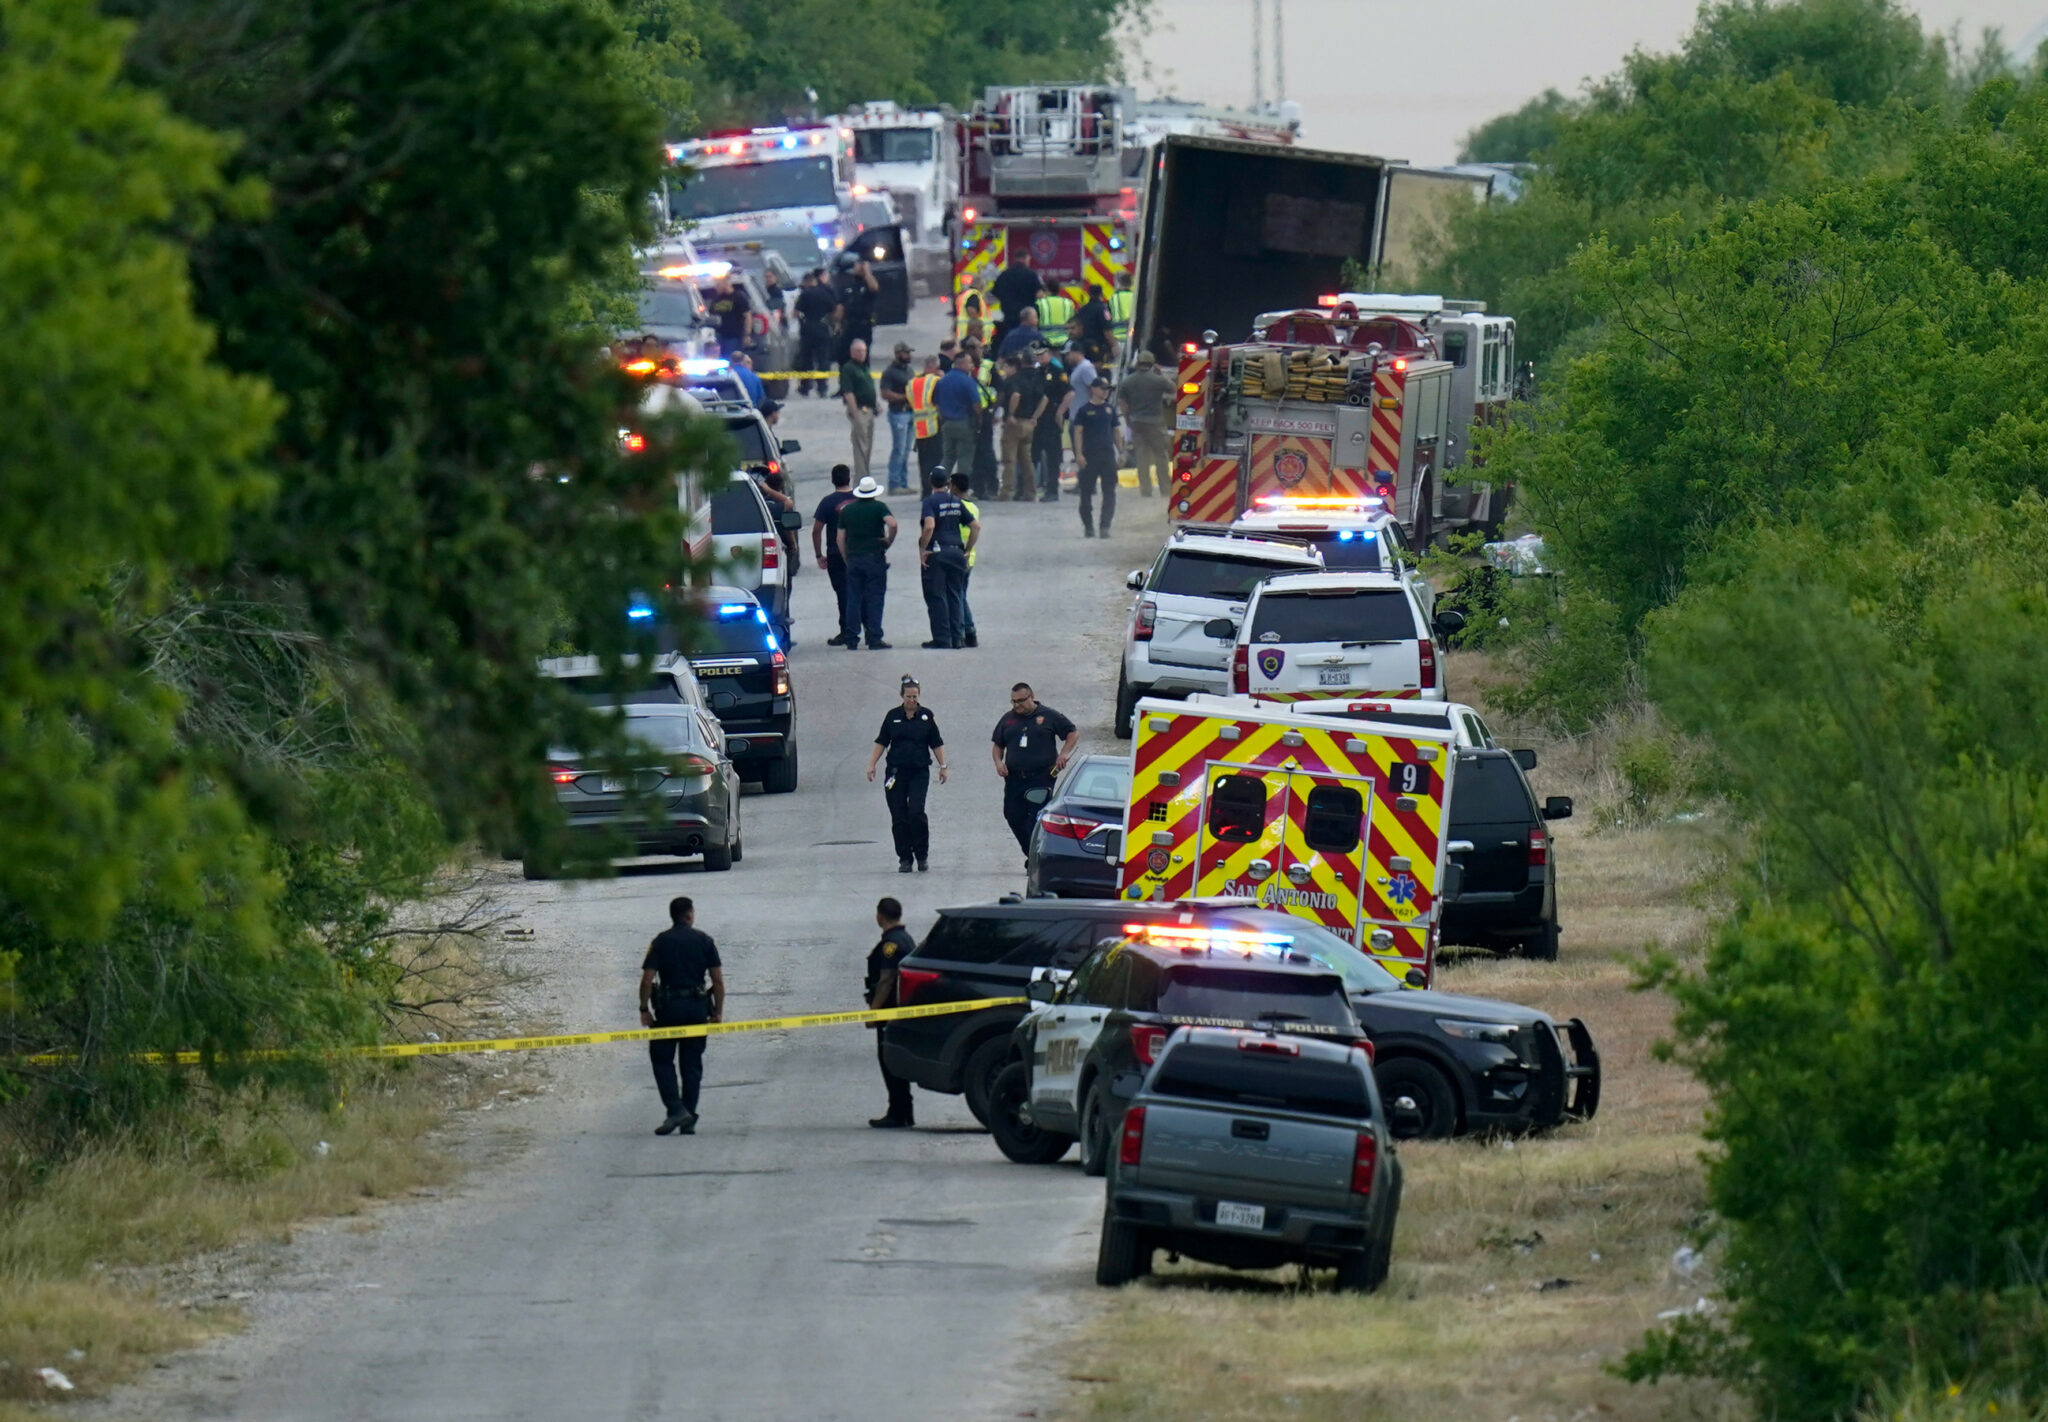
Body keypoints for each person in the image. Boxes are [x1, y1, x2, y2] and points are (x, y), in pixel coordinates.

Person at [638, 896, 726, 1136]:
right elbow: (717, 981)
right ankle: (687, 1113)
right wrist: (718, 1012)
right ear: (689, 915)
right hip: (697, 1008)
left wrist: (644, 1009)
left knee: (662, 1059)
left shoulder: (660, 942)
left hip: (668, 1008)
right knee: (692, 1065)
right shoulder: (705, 941)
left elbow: (647, 980)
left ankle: (676, 1110)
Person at [867, 676, 948, 873]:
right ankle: (904, 857)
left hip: (919, 772)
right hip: (895, 772)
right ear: (902, 696)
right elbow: (882, 742)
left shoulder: (926, 716)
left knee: (916, 811)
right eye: (908, 696)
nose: (912, 700)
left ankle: (921, 855)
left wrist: (943, 766)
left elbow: (936, 743)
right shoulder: (892, 716)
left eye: (915, 696)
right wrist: (872, 764)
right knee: (898, 815)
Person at [990, 684, 1078, 863]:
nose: (1017, 706)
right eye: (1013, 702)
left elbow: (1072, 733)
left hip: (1041, 777)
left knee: (1035, 820)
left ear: (1031, 697)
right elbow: (998, 745)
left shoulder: (1049, 716)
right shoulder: (1008, 719)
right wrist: (999, 763)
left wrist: (1064, 753)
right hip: (1014, 778)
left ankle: (1036, 859)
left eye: (1021, 701)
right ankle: (1031, 854)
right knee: (1013, 816)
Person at [865, 897, 919, 1128]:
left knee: (889, 1061)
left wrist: (874, 1012)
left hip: (890, 1012)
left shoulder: (891, 945)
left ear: (880, 916)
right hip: (901, 1010)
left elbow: (886, 980)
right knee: (894, 1059)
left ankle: (898, 1112)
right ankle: (904, 1111)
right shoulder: (904, 938)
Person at [918, 467, 977, 649]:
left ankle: (942, 638)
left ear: (930, 482)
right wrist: (967, 549)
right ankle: (957, 638)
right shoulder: (956, 501)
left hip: (937, 552)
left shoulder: (930, 502)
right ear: (947, 484)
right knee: (954, 594)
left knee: (936, 596)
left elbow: (929, 526)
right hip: (956, 552)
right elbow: (975, 526)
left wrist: (923, 547)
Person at [834, 475, 896, 650]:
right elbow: (892, 524)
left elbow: (840, 538)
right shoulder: (879, 507)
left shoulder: (847, 510)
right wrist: (888, 541)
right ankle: (874, 637)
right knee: (875, 598)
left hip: (854, 558)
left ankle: (852, 638)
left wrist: (846, 557)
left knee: (853, 598)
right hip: (874, 557)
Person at [1118, 350, 1174, 498]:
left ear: (1138, 363)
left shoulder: (1128, 381)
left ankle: (1146, 490)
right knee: (1161, 456)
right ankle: (1165, 489)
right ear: (1152, 364)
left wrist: (1128, 420)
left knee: (1141, 457)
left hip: (1136, 422)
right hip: (1155, 423)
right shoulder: (1158, 380)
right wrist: (1161, 373)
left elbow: (1123, 404)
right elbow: (1173, 388)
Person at [812, 464, 857, 645]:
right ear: (849, 478)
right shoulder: (860, 498)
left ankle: (846, 630)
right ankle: (871, 630)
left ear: (832, 480)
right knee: (864, 591)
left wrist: (818, 554)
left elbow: (816, 530)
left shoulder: (828, 502)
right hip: (859, 551)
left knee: (843, 594)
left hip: (836, 554)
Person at [1072, 377, 1121, 538]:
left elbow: (1116, 431)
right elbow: (1078, 432)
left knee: (1109, 492)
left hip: (1107, 455)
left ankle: (1105, 526)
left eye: (1107, 389)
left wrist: (1121, 451)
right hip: (1089, 456)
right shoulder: (1084, 410)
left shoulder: (1110, 409)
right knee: (1085, 493)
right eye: (1102, 388)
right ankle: (1088, 526)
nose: (1105, 392)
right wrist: (1078, 454)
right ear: (1093, 389)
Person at [1000, 350, 1047, 501]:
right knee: (1027, 460)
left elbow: (1015, 395)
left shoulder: (1015, 379)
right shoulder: (1038, 377)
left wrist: (1011, 414)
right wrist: (1035, 417)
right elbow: (1045, 399)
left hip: (1015, 424)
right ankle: (1030, 492)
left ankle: (1007, 492)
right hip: (1029, 424)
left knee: (1010, 459)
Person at [935, 351, 980, 479]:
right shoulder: (967, 381)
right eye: (970, 362)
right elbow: (976, 404)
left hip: (947, 424)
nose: (972, 365)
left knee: (947, 457)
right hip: (964, 423)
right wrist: (979, 420)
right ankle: (960, 489)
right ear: (961, 364)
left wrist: (943, 417)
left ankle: (940, 485)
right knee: (964, 459)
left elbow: (936, 402)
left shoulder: (943, 380)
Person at [1032, 343, 1069, 502]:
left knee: (1053, 456)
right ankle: (1033, 488)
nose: (1040, 358)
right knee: (1034, 454)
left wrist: (1060, 412)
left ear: (1049, 353)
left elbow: (1068, 393)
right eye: (1037, 355)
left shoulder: (1057, 371)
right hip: (1040, 421)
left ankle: (1052, 490)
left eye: (1042, 354)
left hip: (1050, 418)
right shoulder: (1039, 371)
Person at [839, 338, 877, 485]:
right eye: (859, 351)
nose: (862, 354)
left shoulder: (864, 367)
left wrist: (876, 405)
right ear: (852, 352)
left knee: (868, 446)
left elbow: (869, 388)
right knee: (861, 446)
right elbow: (848, 392)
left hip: (870, 410)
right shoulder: (849, 368)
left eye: (864, 351)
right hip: (860, 411)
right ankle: (861, 479)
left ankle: (866, 475)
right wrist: (855, 413)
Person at [950, 469, 981, 648]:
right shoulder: (973, 507)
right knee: (961, 593)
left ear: (954, 487)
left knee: (958, 595)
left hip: (959, 553)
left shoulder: (956, 506)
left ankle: (966, 630)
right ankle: (967, 631)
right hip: (970, 556)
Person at [794, 269, 838, 396]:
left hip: (807, 328)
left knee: (806, 358)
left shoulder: (805, 294)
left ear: (807, 282)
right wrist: (833, 323)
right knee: (823, 359)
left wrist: (802, 320)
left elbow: (796, 312)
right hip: (822, 327)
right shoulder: (825, 293)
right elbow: (834, 309)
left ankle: (805, 386)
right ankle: (822, 387)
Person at [879, 341, 915, 492]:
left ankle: (903, 482)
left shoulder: (909, 370)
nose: (908, 355)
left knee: (906, 450)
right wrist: (904, 397)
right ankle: (894, 483)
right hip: (898, 413)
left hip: (911, 412)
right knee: (899, 449)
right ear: (898, 353)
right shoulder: (890, 372)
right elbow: (885, 393)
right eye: (906, 353)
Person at [834, 257, 881, 362]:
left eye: (858, 265)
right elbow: (841, 305)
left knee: (862, 355)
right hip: (849, 325)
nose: (855, 267)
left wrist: (867, 272)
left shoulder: (868, 283)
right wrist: (837, 324)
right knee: (844, 355)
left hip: (863, 325)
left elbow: (874, 288)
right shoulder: (849, 284)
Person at [990, 251, 1043, 340]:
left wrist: (1007, 300)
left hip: (1009, 316)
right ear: (1024, 259)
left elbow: (995, 293)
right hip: (1027, 317)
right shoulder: (1031, 274)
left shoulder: (1005, 275)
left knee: (1010, 340)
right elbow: (1039, 295)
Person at [908, 354, 943, 481]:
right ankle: (935, 487)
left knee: (923, 461)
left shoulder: (913, 383)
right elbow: (940, 404)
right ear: (932, 366)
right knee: (935, 461)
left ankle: (925, 490)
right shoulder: (935, 381)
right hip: (934, 426)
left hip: (919, 428)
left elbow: (912, 402)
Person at [707, 271, 753, 358]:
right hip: (718, 338)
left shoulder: (738, 297)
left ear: (725, 283)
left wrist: (747, 335)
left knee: (731, 360)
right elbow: (710, 317)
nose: (716, 287)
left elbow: (748, 316)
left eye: (718, 284)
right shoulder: (716, 300)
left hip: (733, 338)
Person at [1075, 284, 1112, 358]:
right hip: (1099, 346)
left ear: (1089, 294)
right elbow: (1107, 329)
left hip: (1083, 346)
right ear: (1101, 294)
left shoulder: (1082, 310)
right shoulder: (1103, 309)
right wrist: (1114, 345)